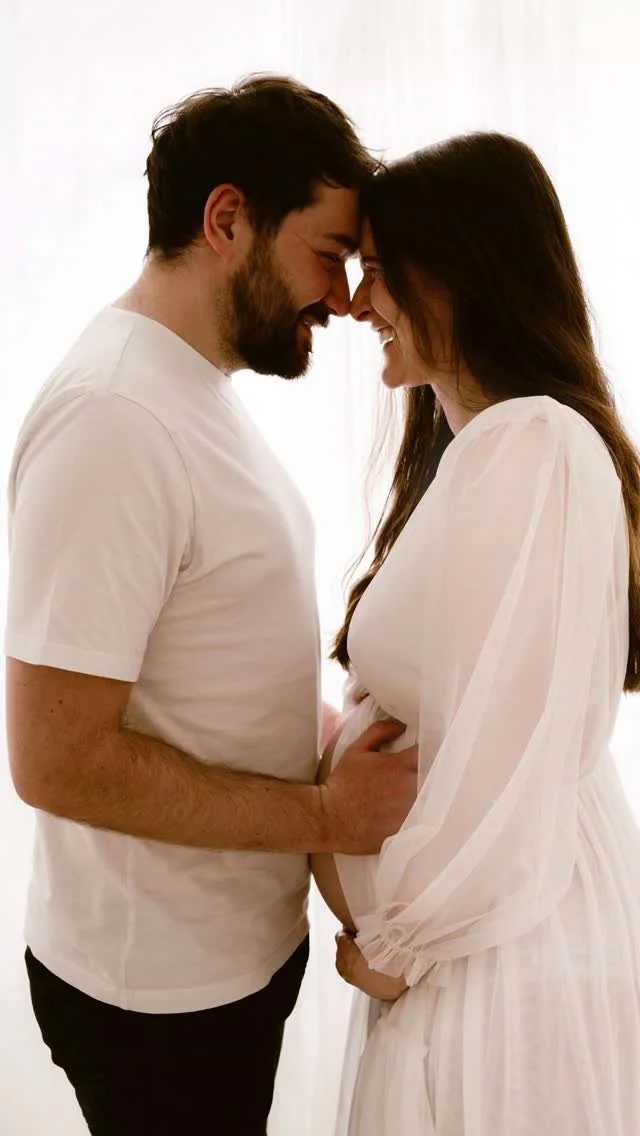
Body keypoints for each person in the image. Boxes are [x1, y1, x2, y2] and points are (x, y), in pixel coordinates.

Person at [3, 76, 419, 1136]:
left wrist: (336, 741)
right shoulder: (113, 419)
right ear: (227, 218)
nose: (343, 299)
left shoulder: (186, 386)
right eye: (329, 253)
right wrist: (328, 817)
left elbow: (205, 665)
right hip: (157, 1000)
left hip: (221, 968)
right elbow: (56, 760)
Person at [311, 132, 640, 1134]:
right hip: (489, 922)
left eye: (379, 268)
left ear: (459, 270)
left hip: (493, 942)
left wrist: (400, 942)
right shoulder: (490, 451)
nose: (357, 301)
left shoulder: (529, 442)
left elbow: (504, 754)